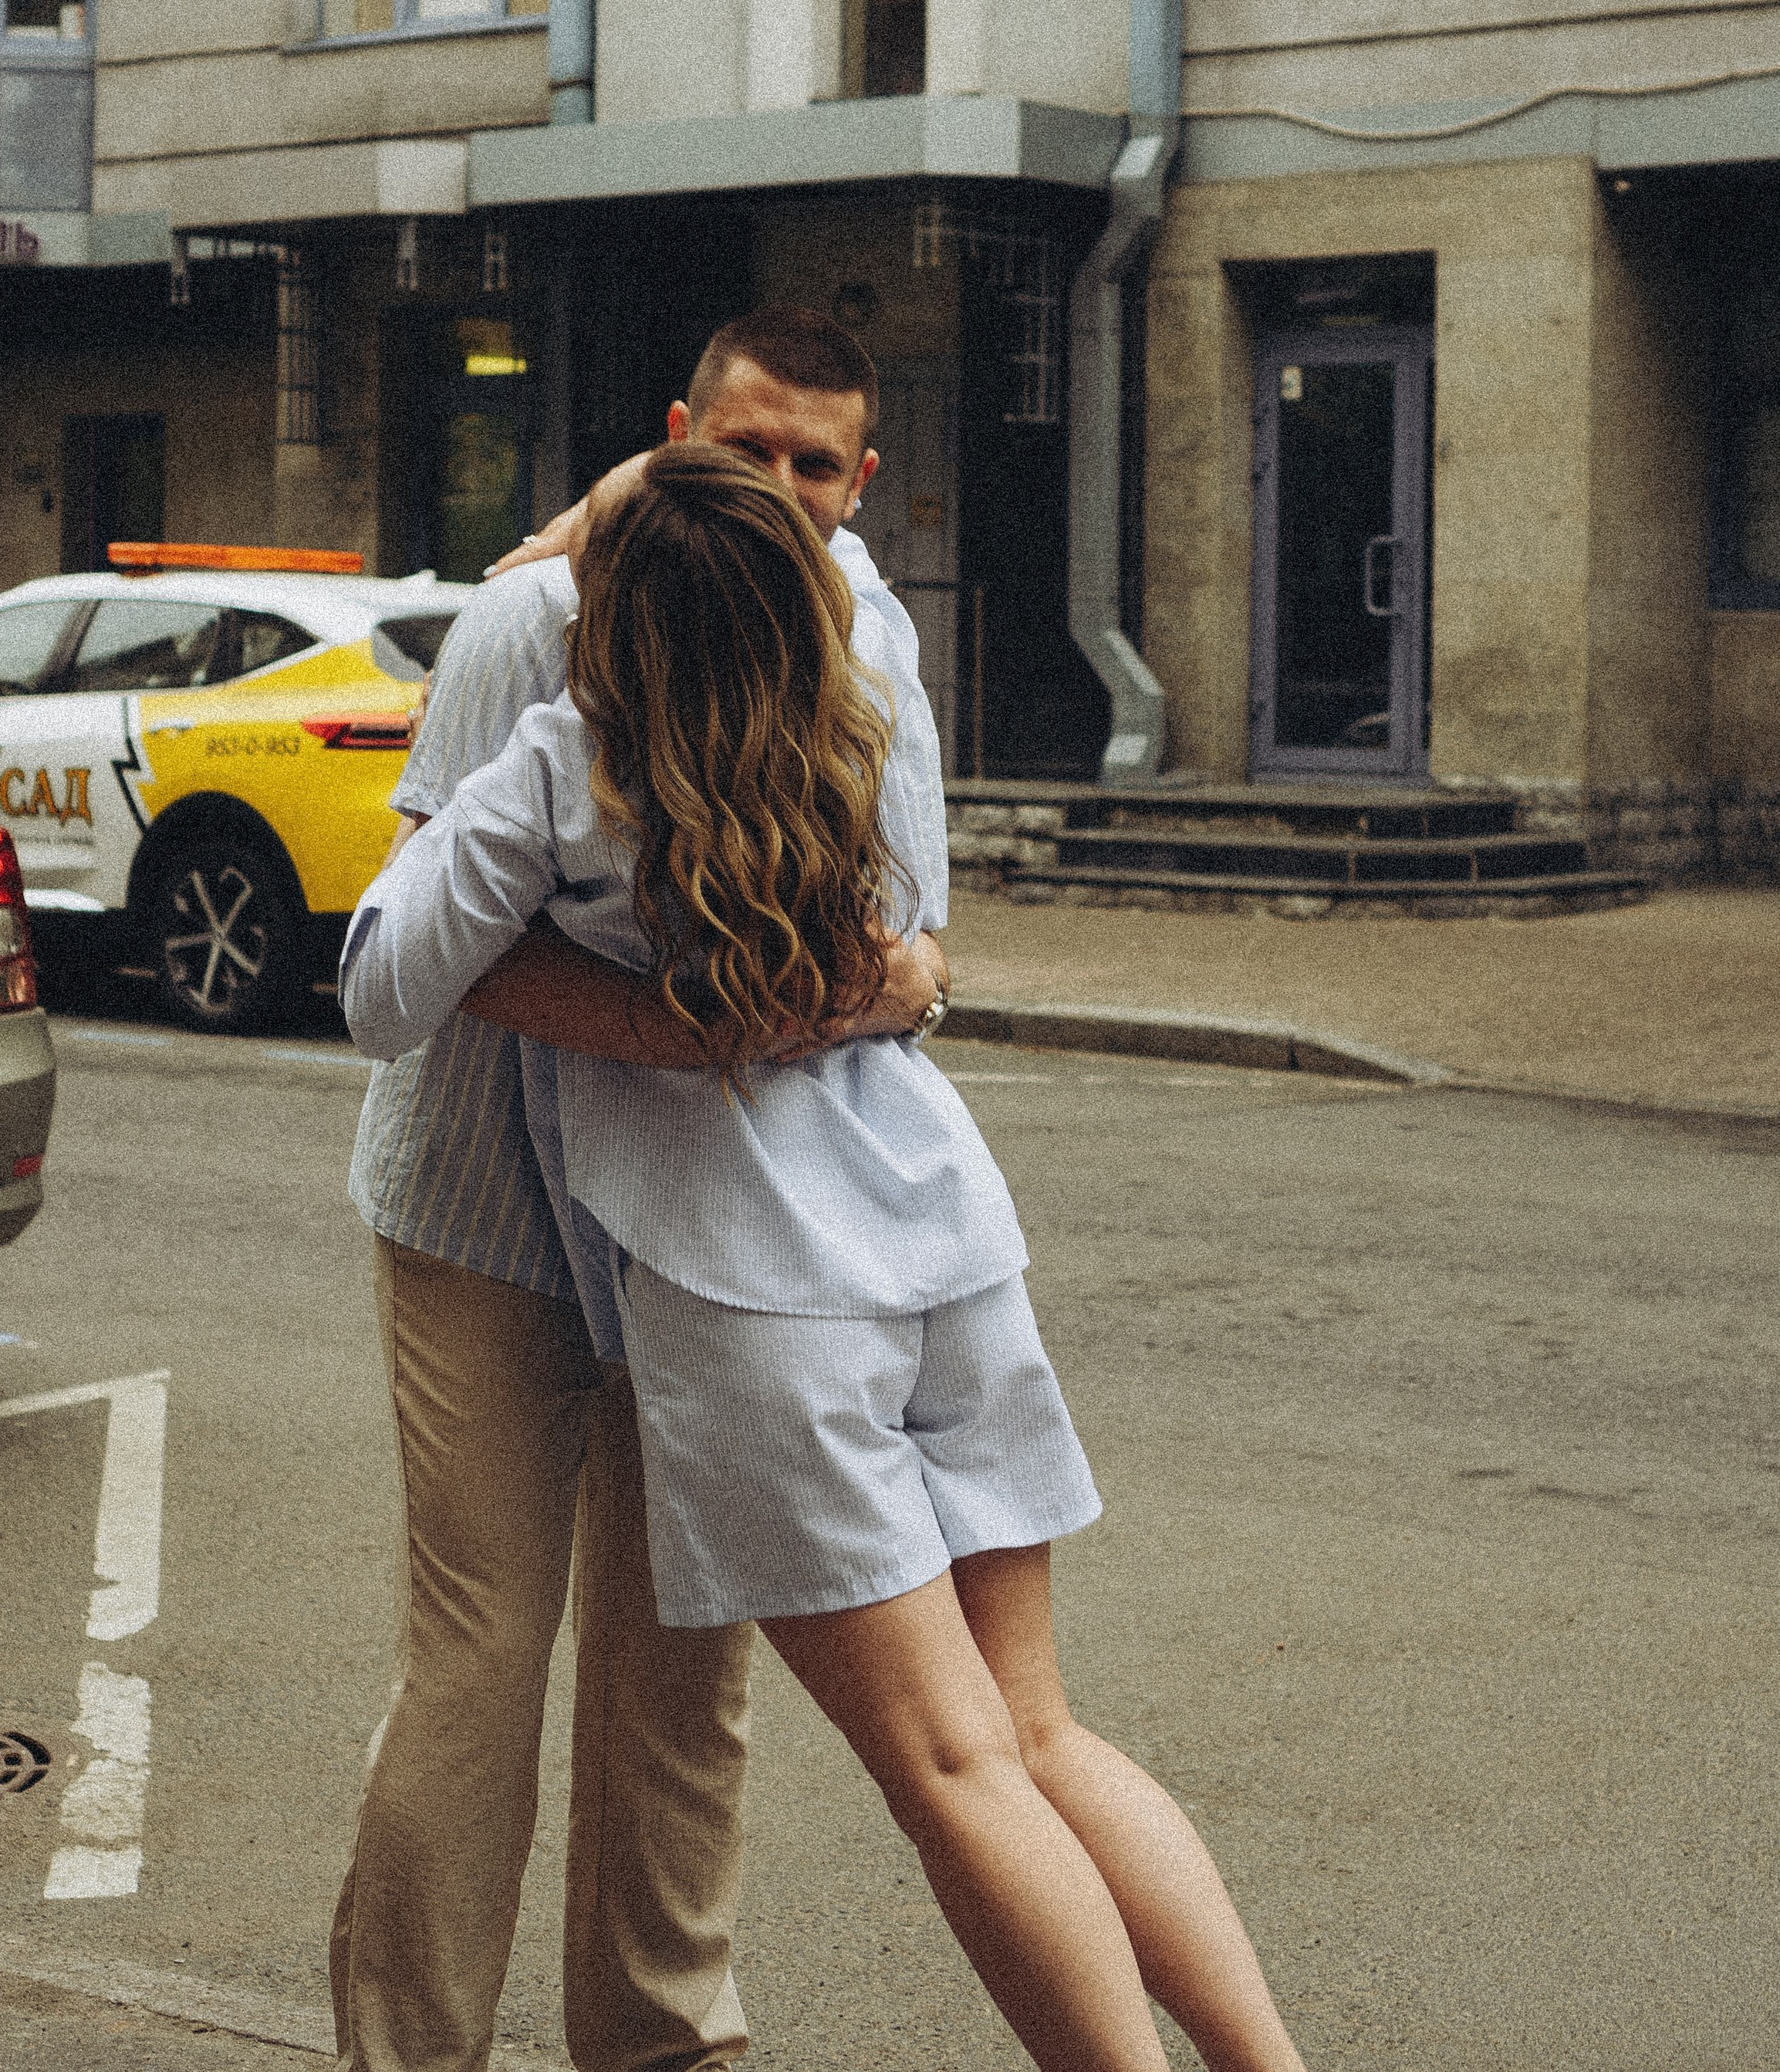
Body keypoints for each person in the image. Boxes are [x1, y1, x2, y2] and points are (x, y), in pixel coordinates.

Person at [344, 447, 1312, 2072]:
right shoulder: (854, 722)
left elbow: (381, 989)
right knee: (1036, 1731)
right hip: (941, 1245)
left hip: (752, 1298)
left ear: (606, 625)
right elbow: (909, 939)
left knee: (950, 1769)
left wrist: (635, 1005)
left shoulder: (564, 764)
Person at [330, 307, 948, 2072]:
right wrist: (685, 1031)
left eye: (807, 463)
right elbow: (407, 955)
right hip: (486, 1217)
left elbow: (912, 943)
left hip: (702, 1236)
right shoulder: (536, 622)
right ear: (675, 433)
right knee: (478, 1665)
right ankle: (407, 2051)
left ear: (858, 484)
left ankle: (664, 2048)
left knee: (687, 1682)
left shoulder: (874, 646)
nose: (769, 487)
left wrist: (895, 987)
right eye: (736, 448)